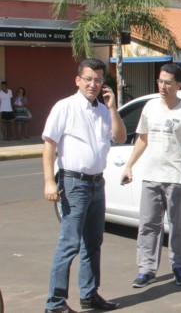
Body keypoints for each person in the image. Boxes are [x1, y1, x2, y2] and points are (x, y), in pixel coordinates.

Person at [42, 58, 126, 313]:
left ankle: (89, 295)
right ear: (77, 80)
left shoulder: (103, 110)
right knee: (69, 244)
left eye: (98, 80)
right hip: (73, 183)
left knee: (93, 242)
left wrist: (113, 109)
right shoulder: (64, 107)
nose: (93, 84)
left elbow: (120, 137)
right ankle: (54, 303)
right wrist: (48, 181)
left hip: (96, 184)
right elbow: (49, 146)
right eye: (88, 79)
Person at [120, 63, 181, 289]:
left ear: (178, 84)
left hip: (176, 177)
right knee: (148, 224)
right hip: (150, 177)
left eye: (167, 82)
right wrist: (129, 166)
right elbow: (142, 139)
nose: (162, 86)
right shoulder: (149, 107)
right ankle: (146, 270)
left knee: (179, 226)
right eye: (160, 81)